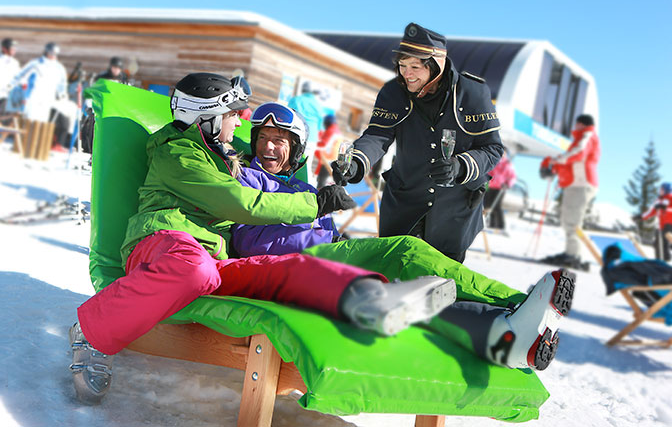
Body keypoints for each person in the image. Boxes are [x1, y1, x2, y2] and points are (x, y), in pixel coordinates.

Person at [68, 73, 458, 405]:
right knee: (193, 268)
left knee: (284, 271)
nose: (239, 124)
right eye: (232, 115)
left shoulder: (217, 154)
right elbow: (244, 204)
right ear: (205, 118)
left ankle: (373, 298)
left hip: (211, 259)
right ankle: (92, 332)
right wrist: (315, 203)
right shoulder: (178, 154)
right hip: (160, 244)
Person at [232, 101, 576, 373]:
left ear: (294, 148)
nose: (268, 147)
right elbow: (249, 240)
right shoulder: (248, 179)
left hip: (325, 258)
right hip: (297, 265)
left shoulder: (303, 186)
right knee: (407, 251)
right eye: (262, 138)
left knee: (416, 293)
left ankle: (503, 332)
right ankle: (517, 302)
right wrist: (322, 236)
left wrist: (332, 230)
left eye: (278, 140)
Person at [331, 23, 503, 264]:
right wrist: (357, 162)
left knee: (441, 283)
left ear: (437, 65)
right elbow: (377, 136)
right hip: (404, 206)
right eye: (402, 66)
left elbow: (493, 148)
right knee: (395, 274)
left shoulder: (472, 93)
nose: (407, 74)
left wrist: (460, 167)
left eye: (415, 66)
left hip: (453, 213)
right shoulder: (393, 92)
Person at [540, 114, 600, 269]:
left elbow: (579, 153)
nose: (575, 127)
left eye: (577, 124)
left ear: (581, 124)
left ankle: (573, 255)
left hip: (581, 184)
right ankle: (570, 253)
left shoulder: (587, 136)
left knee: (573, 221)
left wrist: (555, 161)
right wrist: (554, 168)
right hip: (575, 184)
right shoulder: (580, 138)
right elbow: (571, 161)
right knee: (568, 220)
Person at [9, 42, 68, 123]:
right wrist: (11, 85)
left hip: (47, 99)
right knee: (29, 120)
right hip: (33, 98)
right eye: (51, 53)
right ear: (46, 51)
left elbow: (62, 84)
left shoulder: (59, 68)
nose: (53, 55)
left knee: (42, 122)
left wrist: (62, 94)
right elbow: (21, 75)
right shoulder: (35, 63)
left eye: (55, 53)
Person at [638, 182, 672, 261]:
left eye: (662, 189)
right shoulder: (658, 200)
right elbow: (651, 211)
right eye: (660, 189)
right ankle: (659, 260)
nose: (660, 191)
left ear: (666, 190)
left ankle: (666, 259)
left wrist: (664, 207)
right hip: (661, 225)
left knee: (666, 237)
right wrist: (640, 216)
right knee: (657, 243)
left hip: (669, 223)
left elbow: (667, 207)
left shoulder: (670, 197)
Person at [484, 148, 516, 230]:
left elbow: (512, 177)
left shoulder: (507, 164)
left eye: (504, 153)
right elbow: (488, 172)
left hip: (500, 187)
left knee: (496, 206)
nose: (502, 155)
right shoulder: (494, 161)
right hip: (490, 186)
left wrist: (508, 184)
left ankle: (500, 225)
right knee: (488, 205)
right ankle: (491, 224)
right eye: (501, 153)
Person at [314, 114, 343, 188]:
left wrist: (315, 143)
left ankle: (319, 196)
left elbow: (324, 144)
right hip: (333, 159)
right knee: (323, 180)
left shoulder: (331, 131)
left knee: (322, 180)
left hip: (328, 160)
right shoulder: (336, 131)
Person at [0, 38, 20, 113]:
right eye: (12, 48)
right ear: (4, 49)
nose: (14, 50)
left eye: (15, 48)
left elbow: (18, 78)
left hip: (9, 95)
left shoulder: (15, 63)